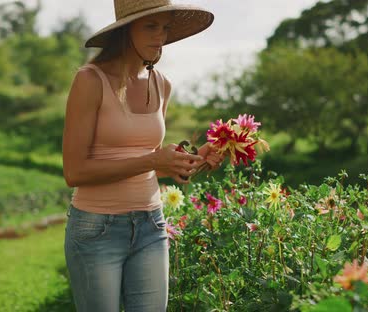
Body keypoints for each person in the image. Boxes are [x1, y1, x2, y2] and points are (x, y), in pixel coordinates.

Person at [62, 1, 221, 311]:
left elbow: (149, 164)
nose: (160, 36)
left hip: (151, 225)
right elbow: (75, 172)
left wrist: (193, 162)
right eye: (150, 26)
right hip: (97, 229)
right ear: (126, 29)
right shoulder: (90, 80)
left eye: (164, 27)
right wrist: (152, 161)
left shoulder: (162, 84)